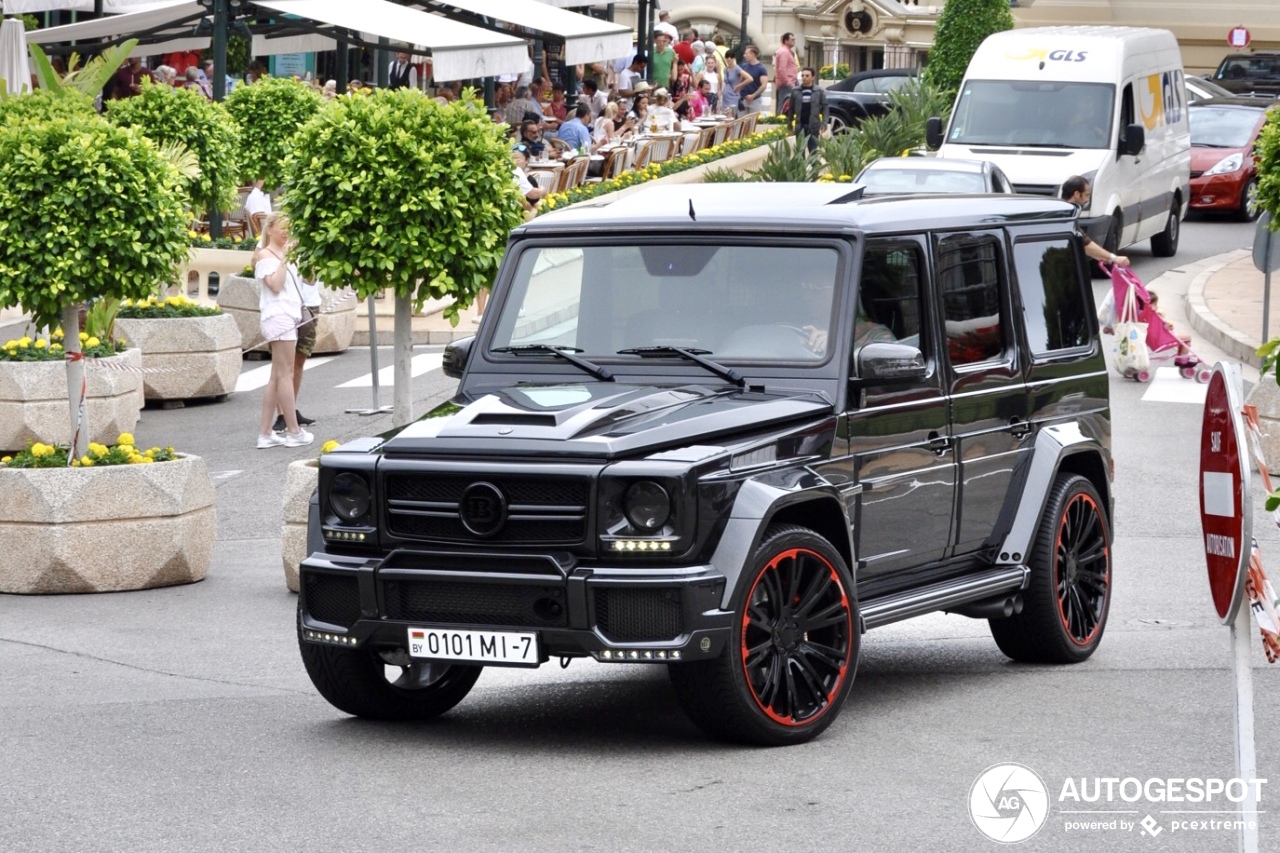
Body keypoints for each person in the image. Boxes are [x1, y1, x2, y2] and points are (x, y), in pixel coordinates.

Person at [252, 214, 312, 448]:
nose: (286, 233)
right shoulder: (265, 255)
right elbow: (275, 286)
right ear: (270, 229)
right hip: (279, 316)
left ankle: (265, 433)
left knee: (277, 376)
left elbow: (308, 280)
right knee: (285, 374)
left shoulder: (287, 252)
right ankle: (294, 431)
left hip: (288, 314)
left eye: (290, 228)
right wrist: (286, 259)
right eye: (282, 229)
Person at [1061, 176, 1130, 267]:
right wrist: (1114, 258)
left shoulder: (1062, 210)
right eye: (1086, 195)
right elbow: (1085, 244)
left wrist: (1101, 256)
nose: (1087, 200)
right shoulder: (1066, 216)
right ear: (1077, 194)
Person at [787, 67, 828, 152]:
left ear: (813, 77)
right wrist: (790, 126)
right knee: (800, 152)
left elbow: (825, 108)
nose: (804, 78)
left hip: (813, 127)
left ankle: (814, 165)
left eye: (807, 76)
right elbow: (791, 109)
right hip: (800, 126)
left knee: (813, 151)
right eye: (802, 76)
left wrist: (824, 123)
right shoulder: (795, 91)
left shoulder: (819, 91)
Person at [736, 45, 769, 113]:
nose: (744, 55)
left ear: (753, 54)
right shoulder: (744, 66)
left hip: (755, 100)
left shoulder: (761, 68)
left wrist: (753, 96)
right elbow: (740, 81)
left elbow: (763, 85)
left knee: (752, 122)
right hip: (743, 99)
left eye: (746, 53)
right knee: (741, 123)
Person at [774, 33, 799, 115]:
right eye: (792, 40)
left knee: (788, 103)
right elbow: (782, 69)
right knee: (783, 103)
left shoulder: (787, 51)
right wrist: (787, 82)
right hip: (787, 83)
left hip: (790, 81)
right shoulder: (784, 52)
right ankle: (780, 121)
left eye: (794, 39)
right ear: (786, 41)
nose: (794, 41)